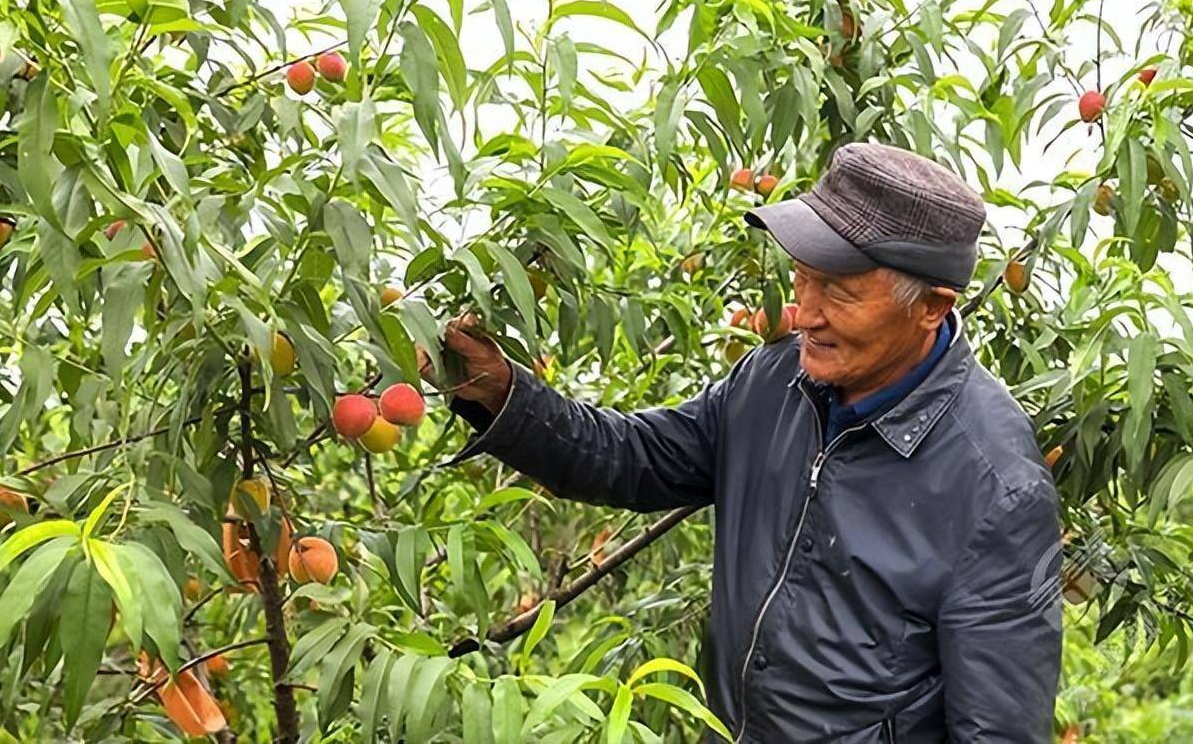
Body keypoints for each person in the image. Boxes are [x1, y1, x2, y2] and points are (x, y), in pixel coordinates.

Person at [430, 143, 1062, 743]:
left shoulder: (996, 489)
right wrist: (504, 393)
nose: (805, 312)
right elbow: (632, 459)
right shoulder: (774, 381)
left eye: (838, 291)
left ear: (931, 306)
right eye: (801, 277)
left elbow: (998, 730)